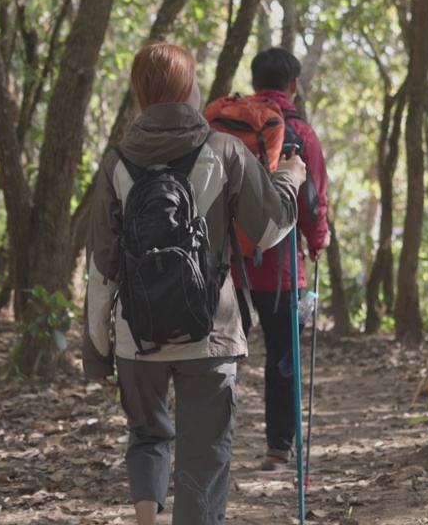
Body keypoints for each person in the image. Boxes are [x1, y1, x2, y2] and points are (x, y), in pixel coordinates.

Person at [82, 42, 306, 525]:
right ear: (188, 88)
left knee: (147, 436)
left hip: (135, 334)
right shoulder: (222, 149)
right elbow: (270, 228)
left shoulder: (116, 161)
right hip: (211, 329)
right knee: (204, 456)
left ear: (141, 92)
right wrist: (288, 178)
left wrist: (97, 350)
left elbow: (102, 267)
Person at [234, 47, 332, 471]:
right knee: (282, 357)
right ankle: (278, 447)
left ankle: (214, 439)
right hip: (282, 268)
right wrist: (318, 239)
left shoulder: (231, 123)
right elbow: (312, 198)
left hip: (231, 265)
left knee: (224, 357)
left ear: (256, 82)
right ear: (293, 84)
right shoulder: (301, 134)